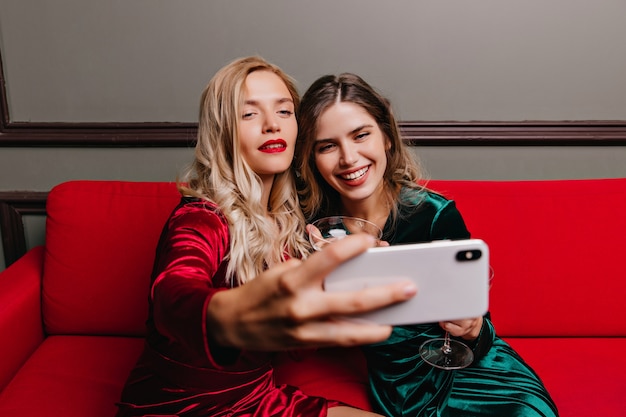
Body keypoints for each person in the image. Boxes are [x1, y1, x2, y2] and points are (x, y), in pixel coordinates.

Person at [116, 57, 418, 417]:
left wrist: (337, 286)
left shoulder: (294, 224)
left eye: (284, 111)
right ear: (223, 130)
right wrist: (223, 318)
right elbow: (171, 292)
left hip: (259, 399)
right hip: (178, 407)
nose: (272, 125)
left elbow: (295, 346)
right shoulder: (201, 216)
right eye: (249, 114)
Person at [294, 73, 559, 417]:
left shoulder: (433, 215)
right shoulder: (316, 229)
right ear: (312, 157)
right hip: (402, 388)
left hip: (479, 381)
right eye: (327, 146)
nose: (348, 157)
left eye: (361, 135)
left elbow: (479, 328)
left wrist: (473, 328)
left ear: (386, 136)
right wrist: (325, 272)